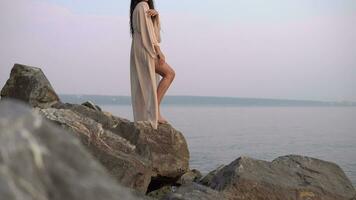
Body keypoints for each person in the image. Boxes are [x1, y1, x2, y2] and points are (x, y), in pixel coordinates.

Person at [130, 0, 175, 129]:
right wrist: (158, 50)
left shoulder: (138, 8)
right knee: (170, 74)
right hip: (145, 47)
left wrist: (155, 17)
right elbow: (148, 33)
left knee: (166, 75)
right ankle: (155, 112)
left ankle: (154, 111)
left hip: (139, 47)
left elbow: (150, 31)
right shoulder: (142, 6)